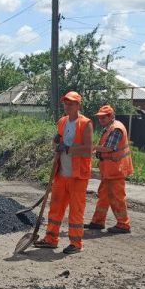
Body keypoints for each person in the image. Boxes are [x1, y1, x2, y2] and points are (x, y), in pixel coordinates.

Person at [34, 92, 93, 254]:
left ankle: (76, 243)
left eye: (71, 104)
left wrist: (68, 148)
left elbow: (88, 150)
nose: (68, 106)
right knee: (55, 207)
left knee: (76, 210)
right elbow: (57, 142)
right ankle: (51, 239)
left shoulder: (85, 123)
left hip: (77, 175)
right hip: (61, 173)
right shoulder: (62, 122)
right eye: (66, 104)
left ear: (78, 105)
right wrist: (56, 143)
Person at [89, 105, 134, 234]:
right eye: (100, 117)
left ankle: (123, 224)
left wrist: (93, 148)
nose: (101, 119)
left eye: (104, 117)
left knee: (117, 197)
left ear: (111, 116)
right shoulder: (110, 128)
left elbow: (109, 148)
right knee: (103, 195)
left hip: (116, 170)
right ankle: (97, 222)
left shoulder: (116, 129)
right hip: (110, 170)